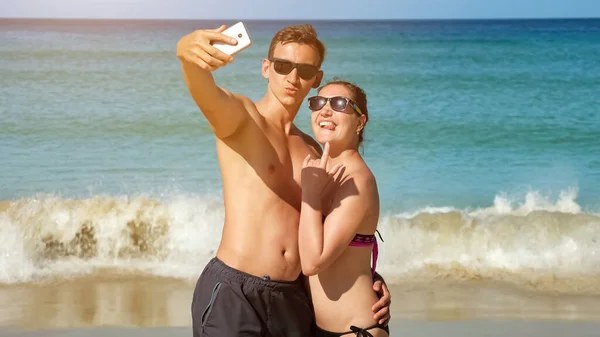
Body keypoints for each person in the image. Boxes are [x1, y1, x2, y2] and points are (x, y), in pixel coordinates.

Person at [176, 23, 391, 337]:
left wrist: (369, 278)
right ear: (267, 68)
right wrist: (187, 56)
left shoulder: (315, 150)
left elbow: (334, 233)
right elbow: (205, 94)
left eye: (304, 70)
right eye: (283, 66)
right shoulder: (242, 119)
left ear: (316, 78)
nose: (293, 77)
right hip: (235, 294)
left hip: (293, 298)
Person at [299, 80, 389, 337]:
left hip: (356, 330)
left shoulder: (358, 180)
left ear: (361, 122)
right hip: (318, 327)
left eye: (340, 104)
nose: (325, 111)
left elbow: (313, 262)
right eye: (318, 103)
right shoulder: (318, 171)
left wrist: (310, 195)